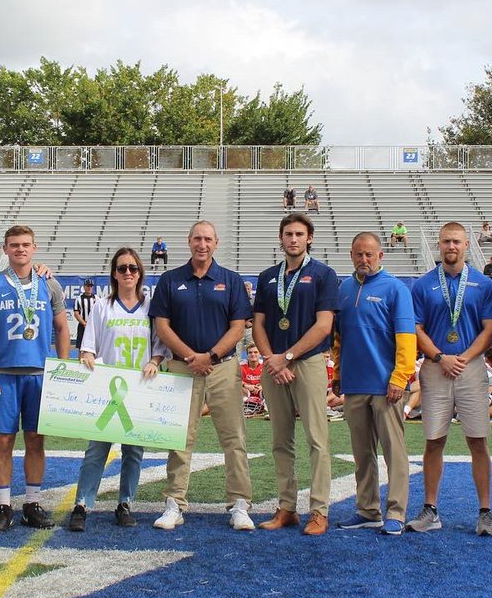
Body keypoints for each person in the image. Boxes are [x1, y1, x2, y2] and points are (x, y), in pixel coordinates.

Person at [150, 220, 253, 531]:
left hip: (223, 367)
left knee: (234, 437)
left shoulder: (231, 280)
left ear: (216, 243)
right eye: (197, 238)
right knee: (179, 437)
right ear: (189, 241)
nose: (202, 244)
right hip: (182, 368)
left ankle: (239, 503)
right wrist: (191, 357)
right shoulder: (170, 279)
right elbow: (162, 327)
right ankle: (174, 502)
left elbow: (238, 327)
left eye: (208, 239)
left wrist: (211, 356)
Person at [0, 225, 70, 532]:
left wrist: (62, 369)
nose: (20, 249)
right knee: (3, 441)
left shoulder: (49, 283)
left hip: (39, 375)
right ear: (5, 249)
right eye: (14, 245)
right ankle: (4, 506)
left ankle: (32, 504)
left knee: (35, 440)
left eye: (26, 244)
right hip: (3, 374)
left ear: (34, 248)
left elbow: (62, 328)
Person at [407, 222, 492, 535]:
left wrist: (464, 357)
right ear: (439, 244)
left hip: (470, 367)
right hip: (435, 367)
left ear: (466, 245)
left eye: (457, 241)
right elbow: (416, 328)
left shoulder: (483, 284)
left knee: (478, 440)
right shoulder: (423, 284)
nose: (451, 246)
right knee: (434, 440)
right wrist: (439, 357)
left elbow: (490, 328)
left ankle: (485, 512)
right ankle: (430, 509)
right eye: (446, 241)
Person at [251, 213, 339, 534]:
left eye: (299, 234)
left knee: (317, 439)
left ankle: (319, 511)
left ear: (309, 238)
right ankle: (287, 507)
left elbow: (324, 325)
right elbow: (258, 324)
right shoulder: (267, 277)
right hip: (273, 365)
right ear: (281, 238)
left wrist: (287, 357)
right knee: (280, 440)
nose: (293, 239)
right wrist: (271, 359)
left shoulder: (324, 274)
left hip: (307, 363)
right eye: (288, 234)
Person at [69, 247, 166, 531]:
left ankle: (125, 503)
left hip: (139, 388)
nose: (127, 273)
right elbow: (89, 344)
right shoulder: (102, 306)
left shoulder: (150, 307)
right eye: (122, 268)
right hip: (107, 388)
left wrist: (155, 361)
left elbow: (159, 346)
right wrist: (87, 356)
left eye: (132, 268)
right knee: (96, 449)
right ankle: (82, 504)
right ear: (114, 273)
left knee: (133, 451)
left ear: (140, 273)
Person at [334, 232, 416, 535]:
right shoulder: (343, 288)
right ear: (351, 255)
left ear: (381, 256)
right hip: (354, 385)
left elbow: (407, 338)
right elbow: (339, 338)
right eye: (359, 254)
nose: (364, 259)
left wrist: (400, 377)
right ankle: (367, 509)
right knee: (362, 453)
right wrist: (338, 375)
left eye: (369, 254)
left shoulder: (396, 289)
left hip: (386, 386)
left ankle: (396, 512)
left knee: (394, 452)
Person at [73, 278, 96, 350]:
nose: (89, 288)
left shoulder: (96, 298)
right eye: (88, 286)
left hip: (94, 326)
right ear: (84, 286)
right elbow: (76, 313)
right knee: (81, 347)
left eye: (91, 286)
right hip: (82, 326)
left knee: (94, 347)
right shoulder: (79, 299)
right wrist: (84, 323)